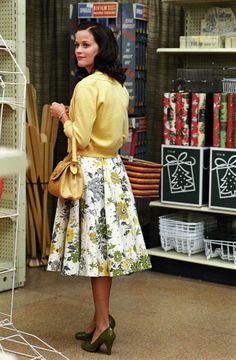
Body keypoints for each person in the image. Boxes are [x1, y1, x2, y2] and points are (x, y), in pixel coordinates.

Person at [47, 21, 152, 355]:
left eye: (86, 45)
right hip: (112, 170)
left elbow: (79, 136)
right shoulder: (118, 86)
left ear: (100, 48)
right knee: (105, 252)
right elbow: (119, 136)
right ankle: (98, 319)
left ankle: (103, 325)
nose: (79, 50)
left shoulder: (88, 86)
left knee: (96, 255)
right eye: (77, 44)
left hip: (90, 174)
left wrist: (62, 116)